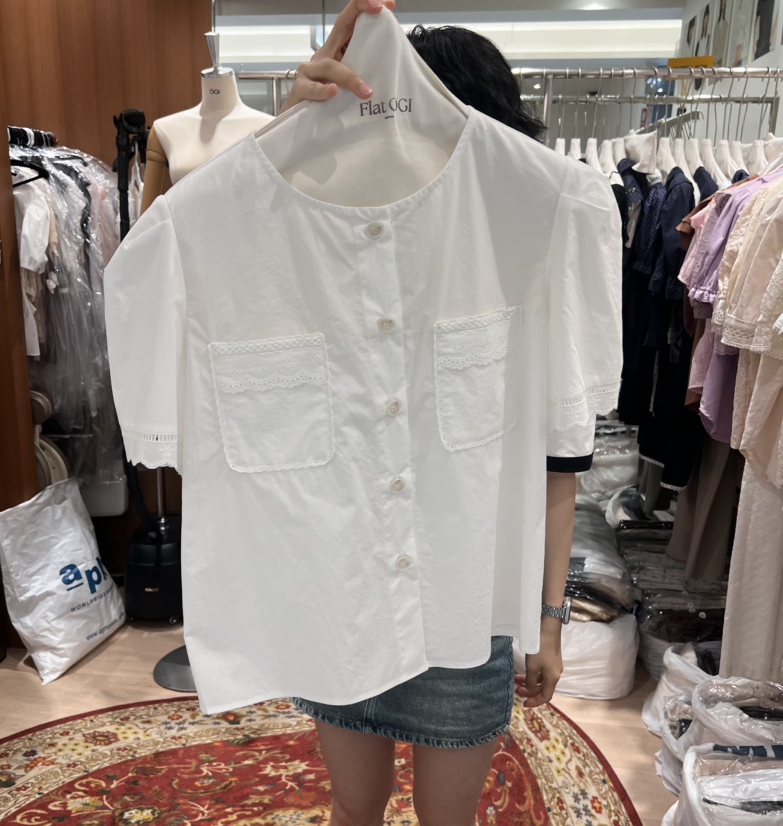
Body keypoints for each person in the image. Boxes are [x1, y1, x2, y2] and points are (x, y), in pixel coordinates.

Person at [280, 3, 580, 825]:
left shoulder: (530, 255)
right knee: (355, 806)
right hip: (347, 591)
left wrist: (548, 622)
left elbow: (558, 465)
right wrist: (290, 132)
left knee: (447, 817)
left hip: (467, 606)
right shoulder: (327, 249)